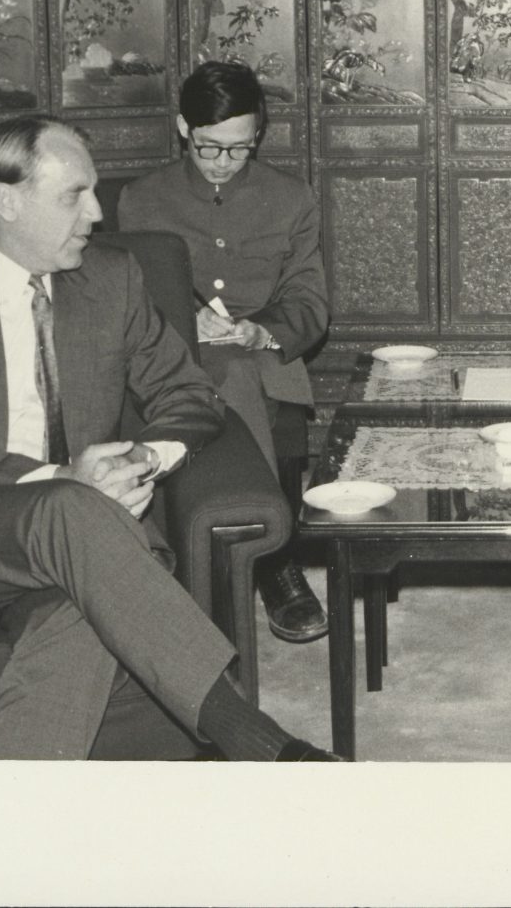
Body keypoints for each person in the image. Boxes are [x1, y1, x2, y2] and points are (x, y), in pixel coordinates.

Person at [0, 115, 337, 761]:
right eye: (74, 194)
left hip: (78, 549)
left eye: (94, 191)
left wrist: (147, 456)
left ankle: (11, 832)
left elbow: (190, 393)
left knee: (86, 615)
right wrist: (66, 478)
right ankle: (259, 743)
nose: (97, 211)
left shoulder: (112, 281)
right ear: (6, 201)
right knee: (71, 508)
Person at [119, 61, 330, 644]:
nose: (223, 163)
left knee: (238, 370)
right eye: (210, 147)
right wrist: (184, 323)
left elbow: (309, 301)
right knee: (224, 376)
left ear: (257, 135)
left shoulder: (291, 199)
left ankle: (266, 557)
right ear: (184, 128)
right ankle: (275, 561)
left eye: (240, 150)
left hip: (262, 360)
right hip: (169, 358)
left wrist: (262, 332)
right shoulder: (143, 199)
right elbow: (129, 298)